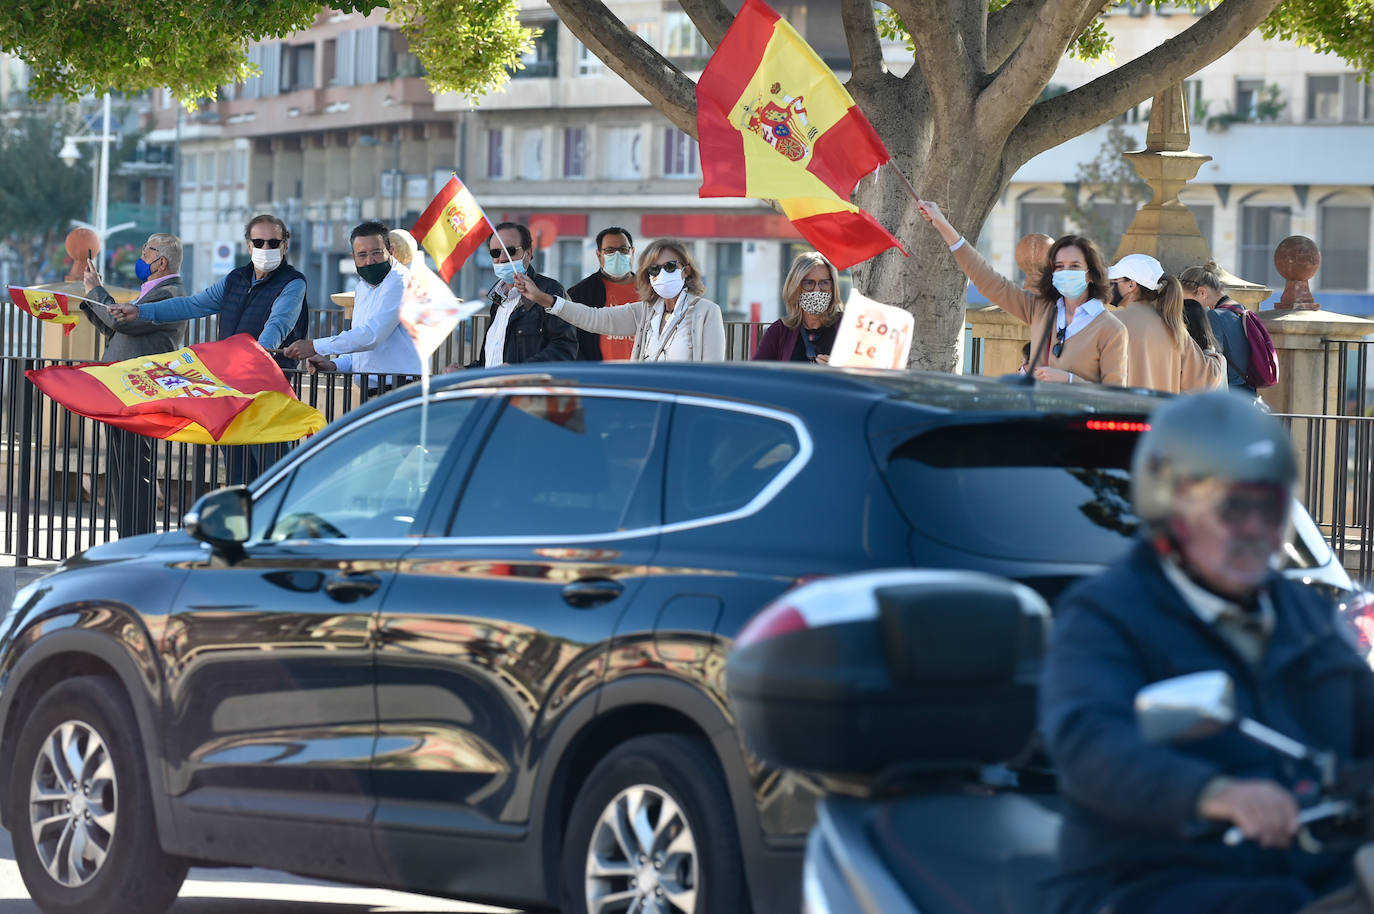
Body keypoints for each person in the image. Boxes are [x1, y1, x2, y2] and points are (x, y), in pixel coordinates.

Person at [1040, 392, 1374, 914]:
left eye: (1269, 508)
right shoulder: (1108, 613)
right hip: (1148, 878)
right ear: (1172, 511)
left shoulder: (1304, 614)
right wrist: (1212, 793)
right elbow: (1089, 740)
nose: (1254, 529)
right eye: (1232, 508)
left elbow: (1363, 710)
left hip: (1307, 866)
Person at [917, 200, 1127, 385]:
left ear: (1091, 274)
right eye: (1059, 266)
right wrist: (943, 224)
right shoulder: (1040, 309)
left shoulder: (1111, 329)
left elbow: (1116, 398)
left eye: (1074, 266)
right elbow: (987, 278)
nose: (1066, 272)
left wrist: (1070, 380)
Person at [80, 233, 188, 539]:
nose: (141, 257)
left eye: (146, 252)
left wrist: (96, 290)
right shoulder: (151, 292)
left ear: (161, 262)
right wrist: (93, 296)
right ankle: (127, 534)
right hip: (123, 391)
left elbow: (120, 322)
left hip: (140, 392)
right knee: (121, 469)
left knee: (135, 468)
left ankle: (138, 537)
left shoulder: (169, 294)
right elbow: (116, 331)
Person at [110, 214, 309, 371]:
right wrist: (139, 311)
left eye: (273, 243)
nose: (265, 248)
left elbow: (277, 325)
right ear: (249, 246)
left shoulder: (293, 283)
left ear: (285, 246)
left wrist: (255, 359)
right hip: (231, 373)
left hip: (266, 376)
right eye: (259, 243)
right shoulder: (235, 279)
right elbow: (192, 305)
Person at [519, 238, 726, 362]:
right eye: (655, 269)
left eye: (670, 266)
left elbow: (712, 376)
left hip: (684, 411)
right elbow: (593, 318)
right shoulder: (645, 311)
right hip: (647, 408)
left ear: (686, 271)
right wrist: (544, 299)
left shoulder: (707, 312)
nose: (662, 273)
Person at [282, 221, 420, 396]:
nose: (369, 261)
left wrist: (314, 346)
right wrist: (335, 364)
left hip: (402, 390)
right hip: (375, 391)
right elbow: (363, 347)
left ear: (390, 251)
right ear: (353, 256)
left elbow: (372, 335)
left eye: (376, 253)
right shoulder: (363, 286)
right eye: (362, 255)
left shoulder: (400, 281)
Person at [460, 222, 577, 369]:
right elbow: (491, 364)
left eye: (510, 251)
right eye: (495, 252)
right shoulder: (498, 300)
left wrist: (519, 371)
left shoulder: (549, 291)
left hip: (527, 384)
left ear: (528, 254)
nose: (502, 258)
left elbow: (565, 349)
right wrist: (464, 371)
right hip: (494, 384)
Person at [1108, 253, 1224, 394]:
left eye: (1115, 281)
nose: (1110, 286)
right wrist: (1210, 352)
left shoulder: (1109, 324)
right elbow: (1204, 380)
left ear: (1131, 284)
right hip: (1162, 408)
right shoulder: (1174, 327)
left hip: (1120, 408)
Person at [1182, 261, 1257, 397]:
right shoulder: (1239, 309)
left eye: (1187, 301)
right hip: (1247, 389)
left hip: (1230, 392)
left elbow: (1209, 361)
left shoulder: (1214, 316)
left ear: (1202, 292)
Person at [751, 251, 842, 363]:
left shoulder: (849, 326)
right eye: (809, 283)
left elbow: (861, 369)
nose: (817, 290)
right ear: (796, 287)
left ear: (833, 287)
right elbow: (757, 371)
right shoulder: (779, 331)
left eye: (824, 283)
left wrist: (839, 369)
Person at [565, 227, 640, 361]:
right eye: (610, 250)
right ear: (599, 255)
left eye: (623, 249)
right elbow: (568, 341)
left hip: (644, 371)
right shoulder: (580, 293)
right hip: (599, 372)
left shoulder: (651, 291)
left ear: (632, 252)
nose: (617, 255)